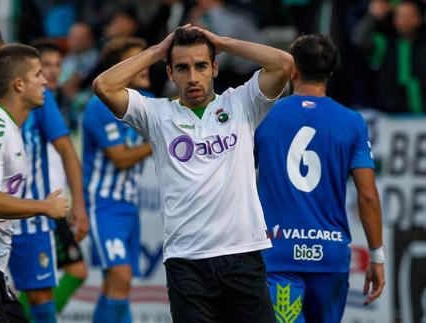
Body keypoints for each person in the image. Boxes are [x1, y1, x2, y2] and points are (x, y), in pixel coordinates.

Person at [93, 25, 294, 322]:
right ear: (170, 74)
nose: (193, 77)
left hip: (242, 254)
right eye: (182, 69)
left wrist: (223, 42)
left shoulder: (241, 103)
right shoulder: (157, 114)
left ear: (214, 67)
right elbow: (103, 86)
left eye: (201, 66)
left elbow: (284, 64)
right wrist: (158, 50)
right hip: (187, 262)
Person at [0, 22, 89, 322]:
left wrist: (78, 204)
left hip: (22, 222)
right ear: (19, 84)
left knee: (34, 301)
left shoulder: (15, 118)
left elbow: (66, 150)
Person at [255, 34, 385, 323]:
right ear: (330, 72)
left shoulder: (264, 116)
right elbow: (367, 195)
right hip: (329, 255)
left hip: (279, 253)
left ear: (293, 70)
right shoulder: (352, 122)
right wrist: (376, 256)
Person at [83, 36, 153, 323]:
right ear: (121, 68)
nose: (146, 66)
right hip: (104, 204)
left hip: (129, 205)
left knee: (116, 284)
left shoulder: (146, 102)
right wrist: (160, 139)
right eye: (138, 61)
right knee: (121, 278)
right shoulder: (100, 107)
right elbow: (121, 158)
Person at [31, 39, 88, 315]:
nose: (53, 72)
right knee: (70, 272)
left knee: (44, 282)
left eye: (57, 66)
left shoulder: (54, 101)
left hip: (54, 204)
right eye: (46, 66)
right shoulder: (36, 102)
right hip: (42, 206)